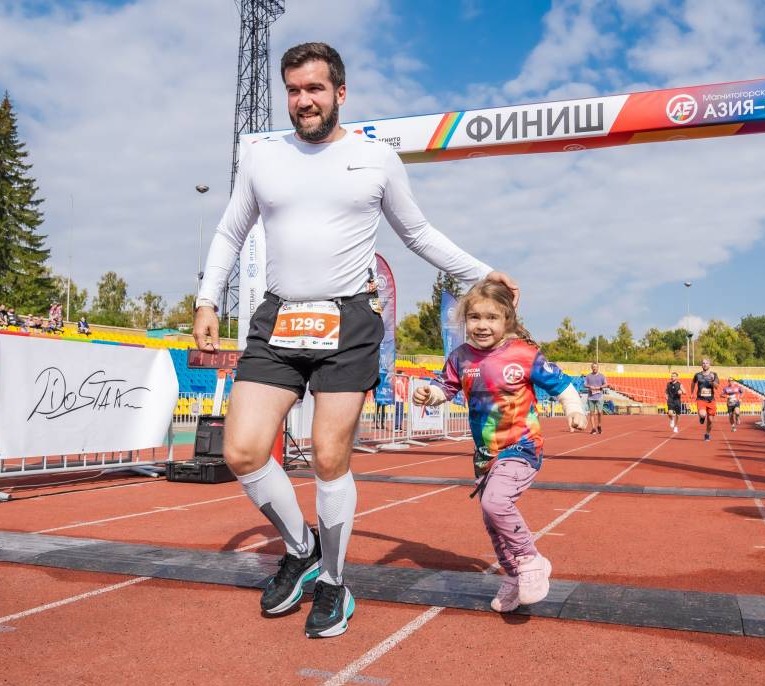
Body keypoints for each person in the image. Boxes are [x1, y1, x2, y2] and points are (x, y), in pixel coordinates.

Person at [192, 42, 518, 639]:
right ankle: (301, 548)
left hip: (348, 320)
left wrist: (481, 273)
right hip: (278, 316)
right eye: (293, 90)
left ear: (339, 93)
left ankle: (334, 584)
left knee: (327, 456)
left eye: (314, 89)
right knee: (240, 451)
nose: (303, 101)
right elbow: (230, 230)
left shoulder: (376, 159)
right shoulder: (262, 158)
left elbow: (417, 232)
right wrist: (207, 299)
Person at [413, 281, 586, 612]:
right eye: (474, 317)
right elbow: (444, 388)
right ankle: (512, 575)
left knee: (496, 503)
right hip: (485, 455)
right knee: (492, 522)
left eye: (491, 317)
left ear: (507, 319)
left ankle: (531, 561)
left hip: (521, 447)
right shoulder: (460, 357)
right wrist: (429, 395)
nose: (482, 325)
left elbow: (563, 386)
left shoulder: (523, 354)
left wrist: (575, 411)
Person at [690, 358, 720, 441]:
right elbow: (693, 383)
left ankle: (707, 434)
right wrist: (692, 393)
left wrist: (712, 381)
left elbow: (717, 387)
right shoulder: (697, 375)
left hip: (711, 400)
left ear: (709, 365)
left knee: (710, 420)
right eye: (703, 363)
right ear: (701, 365)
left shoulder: (714, 374)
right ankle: (702, 417)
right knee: (703, 414)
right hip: (701, 399)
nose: (705, 364)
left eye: (706, 363)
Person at [583, 362, 607, 434]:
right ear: (591, 368)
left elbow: (606, 384)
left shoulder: (602, 376)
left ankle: (599, 425)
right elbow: (584, 384)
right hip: (591, 397)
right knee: (592, 413)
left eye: (596, 367)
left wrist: (600, 387)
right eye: (593, 367)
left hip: (599, 396)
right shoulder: (588, 376)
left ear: (598, 368)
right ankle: (593, 428)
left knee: (599, 412)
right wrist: (589, 386)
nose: (594, 368)